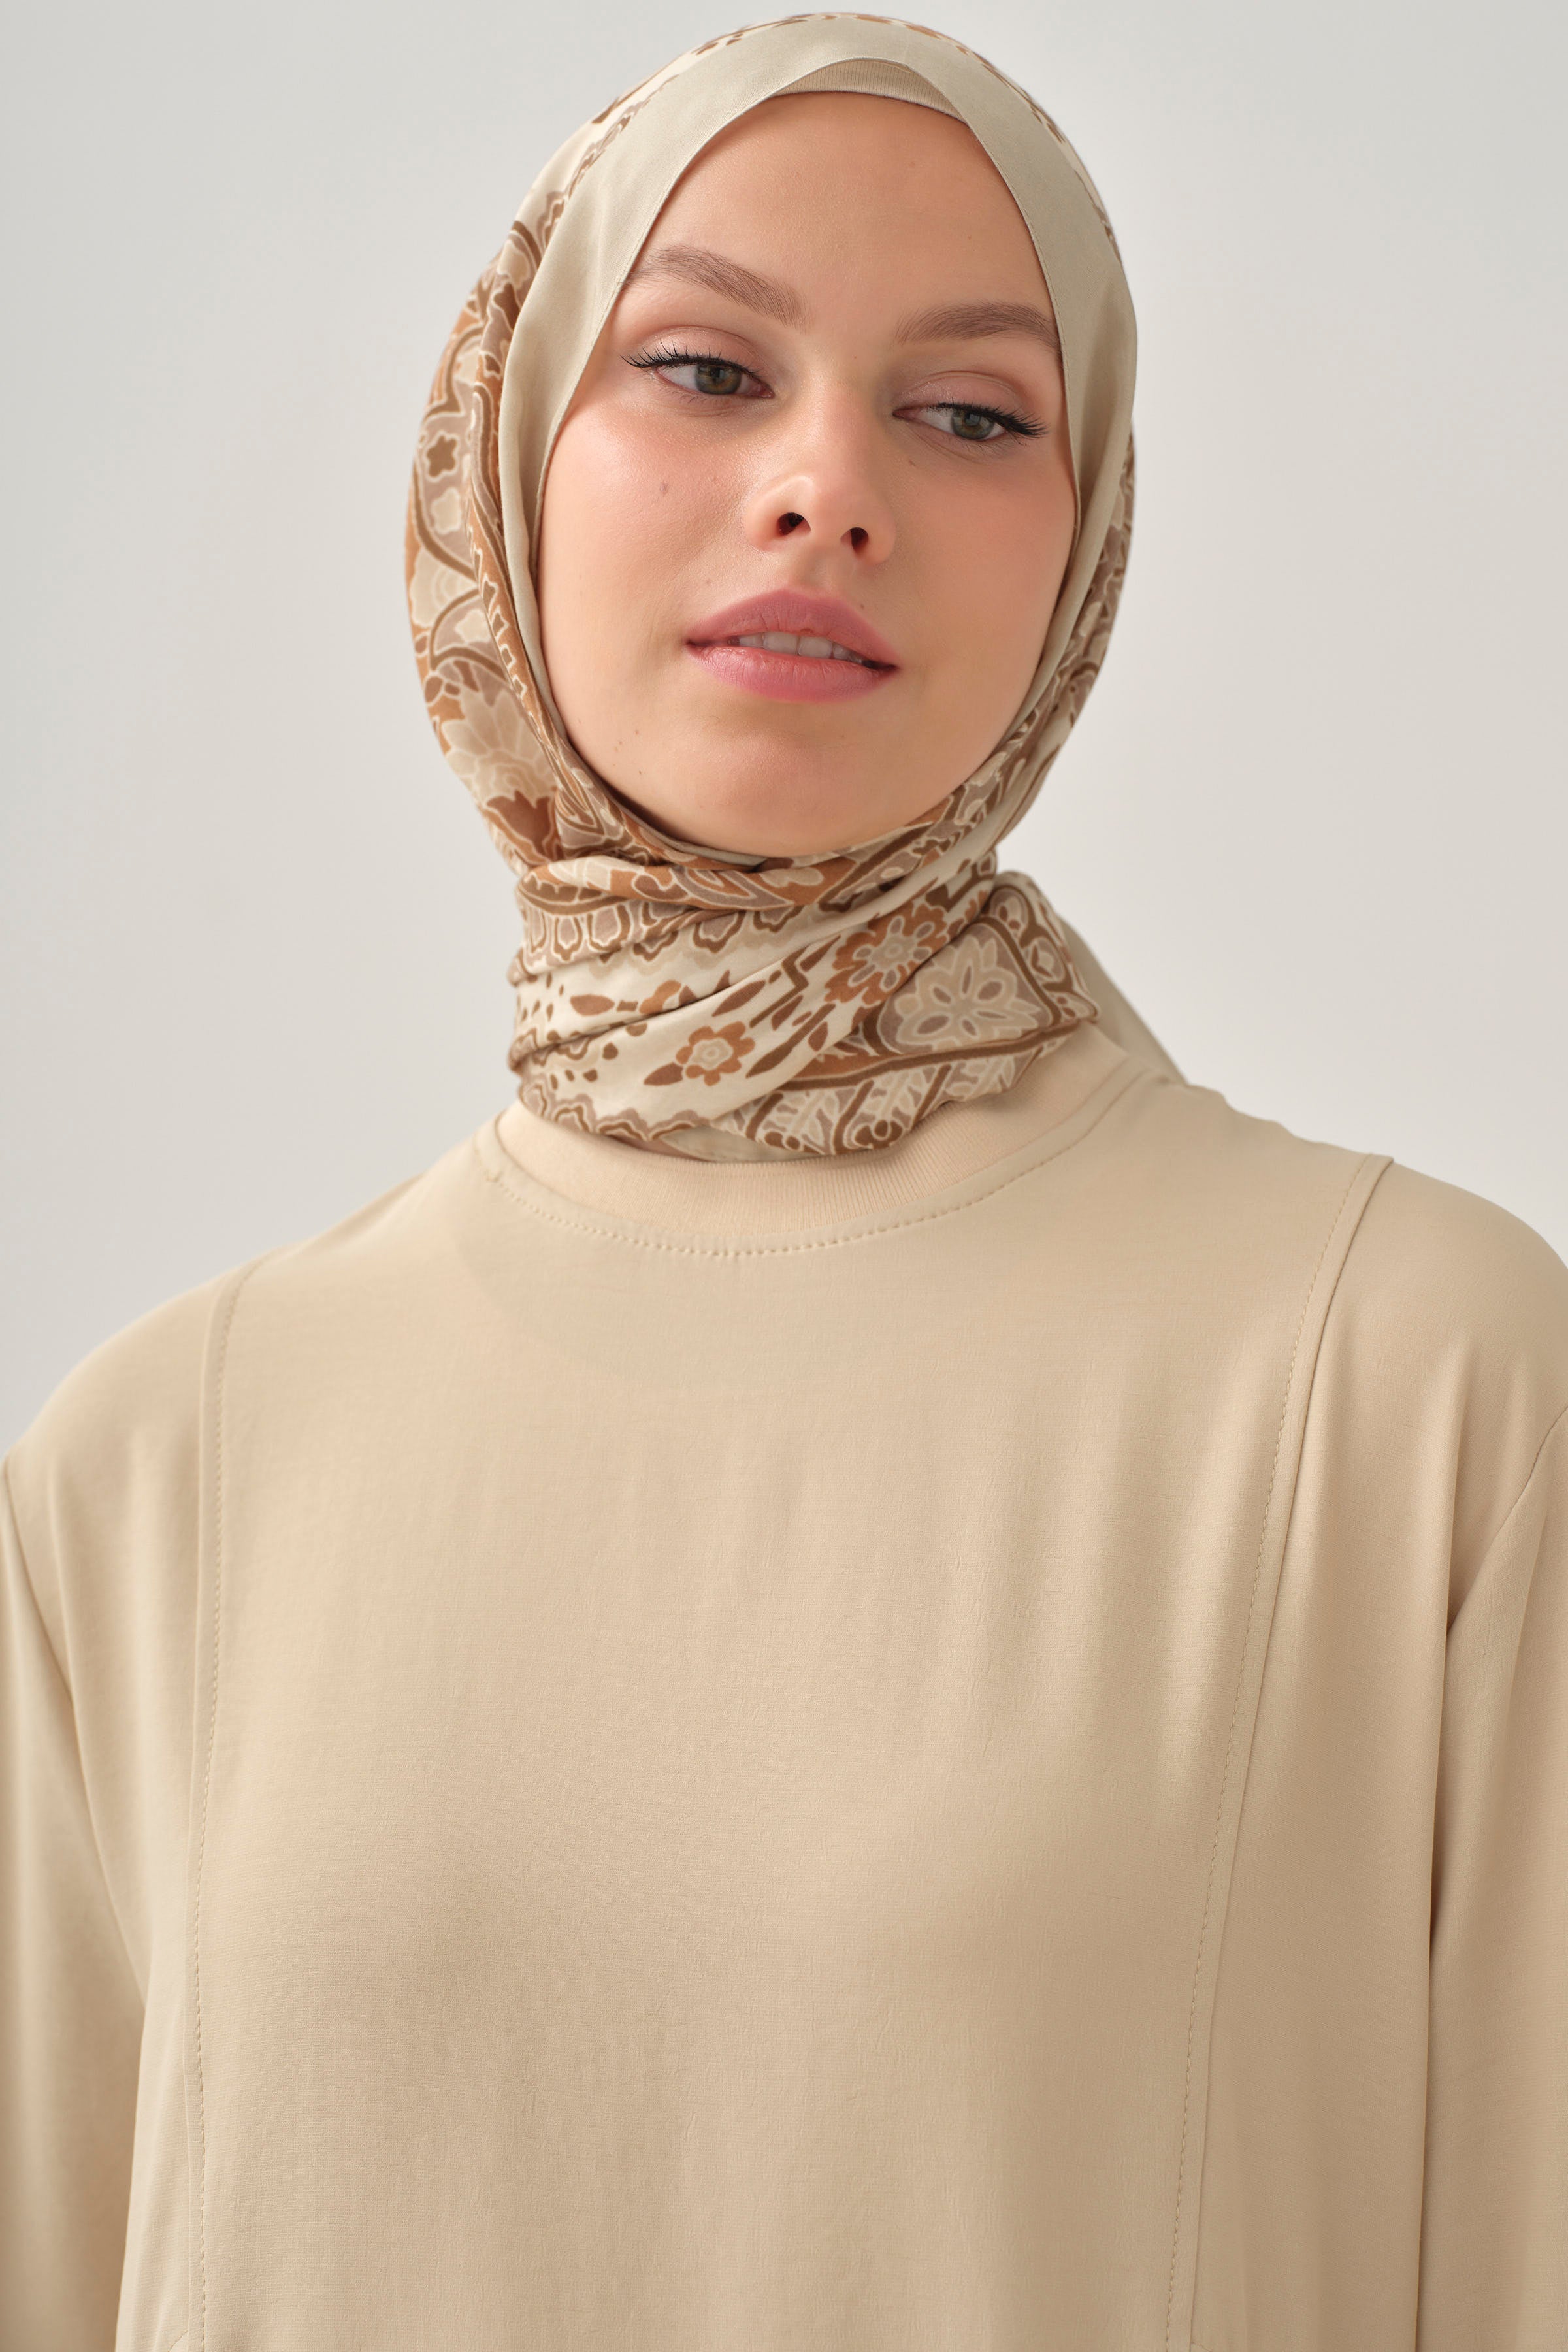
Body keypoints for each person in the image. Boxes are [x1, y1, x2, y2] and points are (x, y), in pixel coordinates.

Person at [3, 17, 1564, 2351]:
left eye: (973, 413)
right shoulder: (158, 1471)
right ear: (508, 450)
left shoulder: (1414, 1386)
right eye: (708, 368)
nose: (830, 486)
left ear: (1088, 541)